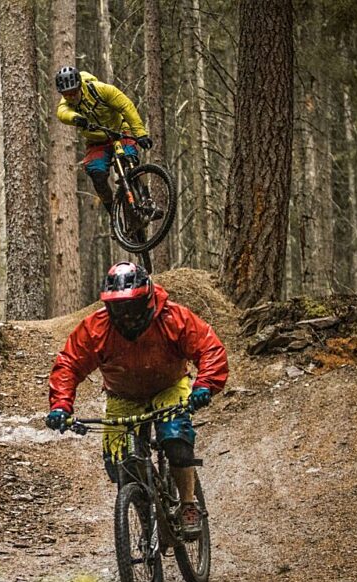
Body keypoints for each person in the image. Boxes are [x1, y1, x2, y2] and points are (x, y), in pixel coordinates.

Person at [44, 262, 228, 537]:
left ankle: (188, 503)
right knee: (118, 464)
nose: (127, 316)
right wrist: (60, 405)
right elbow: (69, 364)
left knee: (176, 440)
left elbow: (208, 348)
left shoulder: (173, 317)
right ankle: (143, 510)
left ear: (148, 298)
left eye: (132, 307)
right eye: (119, 308)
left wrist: (204, 386)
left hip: (169, 387)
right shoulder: (96, 328)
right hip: (123, 395)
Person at [53, 65, 153, 217]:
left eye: (73, 92)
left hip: (119, 131)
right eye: (66, 94)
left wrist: (141, 134)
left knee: (131, 160)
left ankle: (146, 199)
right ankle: (113, 214)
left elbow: (126, 106)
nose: (71, 97)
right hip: (96, 141)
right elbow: (62, 112)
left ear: (80, 85)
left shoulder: (101, 89)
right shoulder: (66, 102)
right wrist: (76, 118)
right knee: (97, 174)